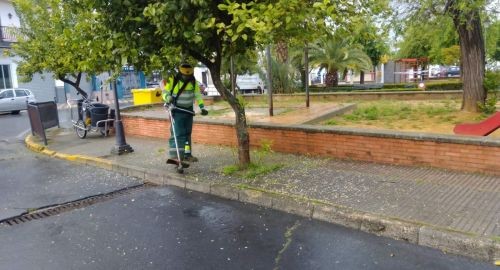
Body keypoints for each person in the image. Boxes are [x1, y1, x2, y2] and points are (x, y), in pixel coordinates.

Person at [162, 63, 208, 164]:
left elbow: (197, 95)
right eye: (185, 75)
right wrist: (168, 97)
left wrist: (202, 107)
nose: (186, 77)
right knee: (178, 134)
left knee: (187, 134)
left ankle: (187, 155)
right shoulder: (173, 79)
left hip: (188, 111)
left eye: (188, 75)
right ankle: (175, 156)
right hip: (176, 111)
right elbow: (165, 92)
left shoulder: (193, 81)